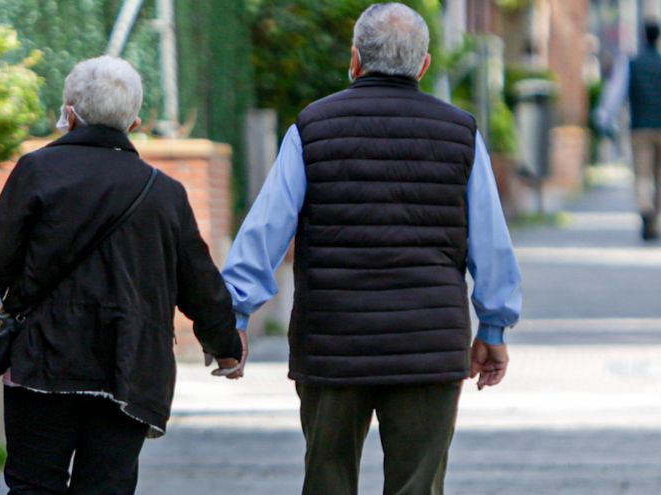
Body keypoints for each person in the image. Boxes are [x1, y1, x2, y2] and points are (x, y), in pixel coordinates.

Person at [222, 4, 522, 494]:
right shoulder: (461, 133)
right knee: (417, 487)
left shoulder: (312, 128)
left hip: (332, 344)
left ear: (354, 59)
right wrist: (493, 325)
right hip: (428, 344)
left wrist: (233, 317)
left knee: (327, 481)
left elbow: (265, 232)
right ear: (424, 66)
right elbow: (490, 244)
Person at [0, 56, 243, 495]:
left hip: (44, 358)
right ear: (134, 123)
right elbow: (199, 282)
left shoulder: (36, 171)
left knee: (32, 485)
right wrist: (227, 347)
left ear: (69, 114)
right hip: (130, 365)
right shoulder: (165, 193)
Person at [595, 20, 661, 241]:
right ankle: (656, 220)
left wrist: (605, 119)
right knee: (660, 177)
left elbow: (615, 94)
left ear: (642, 36)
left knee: (641, 174)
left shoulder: (630, 63)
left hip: (639, 128)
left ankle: (644, 207)